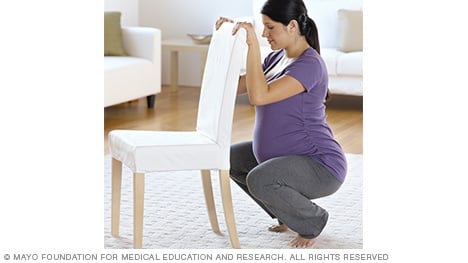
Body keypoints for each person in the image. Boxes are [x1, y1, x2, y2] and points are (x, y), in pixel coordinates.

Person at [216, 0, 347, 248]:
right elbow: (237, 87)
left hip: (322, 166)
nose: (265, 34)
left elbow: (259, 96)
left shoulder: (310, 65)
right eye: (262, 29)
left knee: (259, 179)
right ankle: (287, 215)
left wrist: (252, 44)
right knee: (229, 159)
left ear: (292, 26)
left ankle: (312, 221)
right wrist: (225, 42)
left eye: (270, 27)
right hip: (284, 157)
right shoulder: (277, 57)